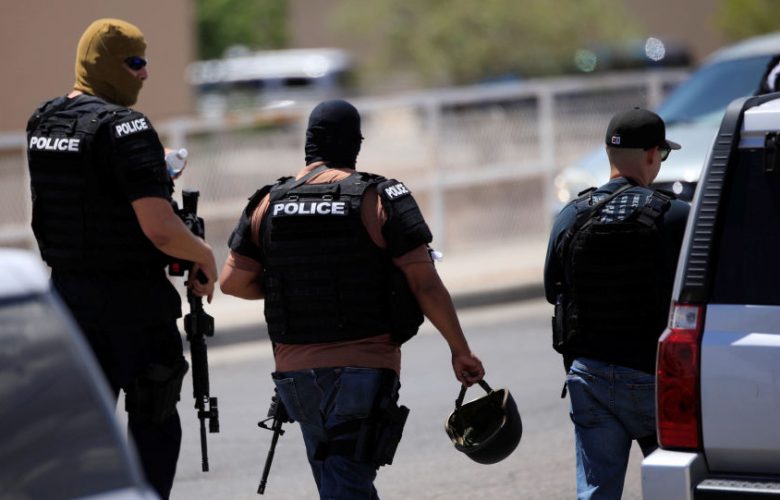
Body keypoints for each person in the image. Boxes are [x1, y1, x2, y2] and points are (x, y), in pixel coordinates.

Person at [220, 99, 485, 499]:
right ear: (355, 143)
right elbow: (425, 285)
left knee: (336, 480)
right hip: (365, 366)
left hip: (295, 373)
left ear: (309, 143)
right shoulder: (379, 197)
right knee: (348, 482)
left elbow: (232, 283)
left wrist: (286, 286)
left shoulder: (267, 202)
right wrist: (460, 350)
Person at [25, 18, 217, 499]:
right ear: (106, 65)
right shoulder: (126, 127)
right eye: (135, 63)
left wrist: (152, 161)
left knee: (81, 438)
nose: (145, 73)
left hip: (66, 302)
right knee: (155, 425)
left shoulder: (44, 120)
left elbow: (89, 182)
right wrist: (204, 254)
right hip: (132, 307)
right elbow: (160, 229)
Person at [543, 108, 689, 500]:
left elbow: (552, 289)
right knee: (674, 489)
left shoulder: (571, 215)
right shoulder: (676, 216)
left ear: (609, 152)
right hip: (654, 376)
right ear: (652, 154)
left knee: (597, 493)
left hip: (588, 375)